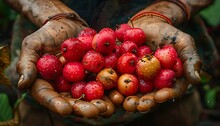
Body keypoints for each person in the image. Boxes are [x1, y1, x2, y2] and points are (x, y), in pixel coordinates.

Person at [3, 0, 218, 126]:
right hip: (50, 29)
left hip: (159, 33)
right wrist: (51, 13)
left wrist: (170, 8)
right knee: (41, 114)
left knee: (173, 109)